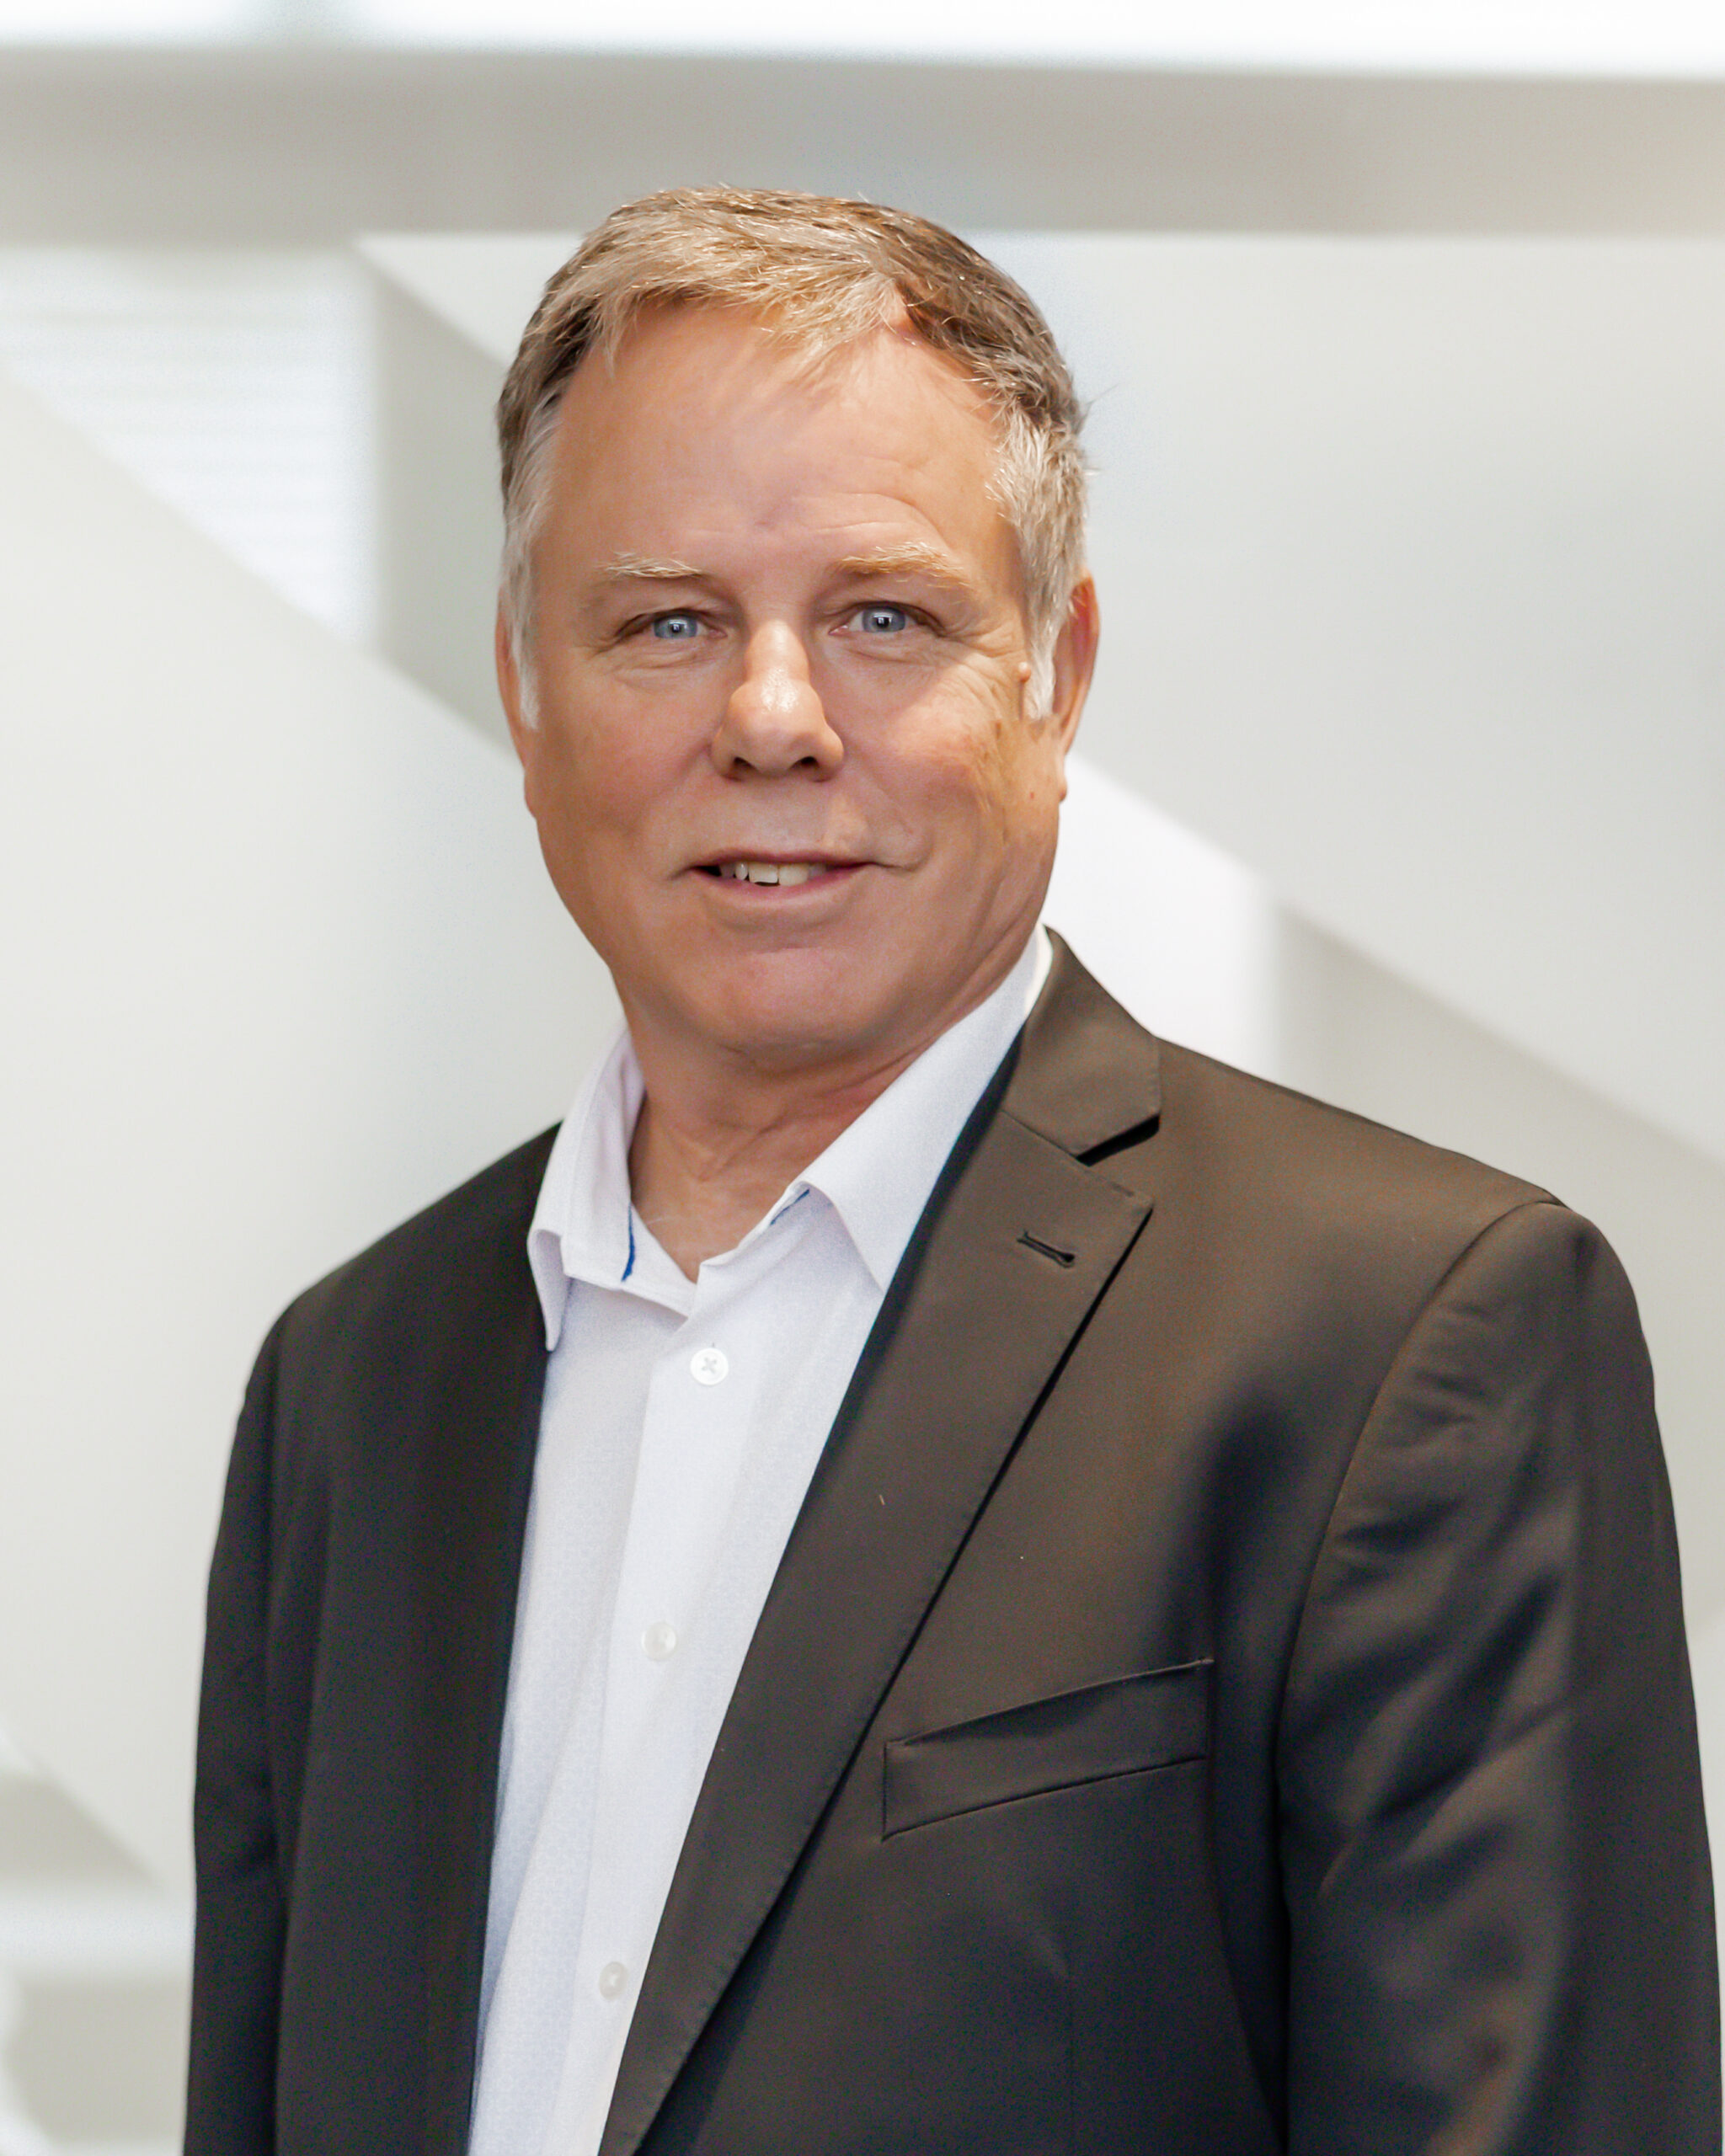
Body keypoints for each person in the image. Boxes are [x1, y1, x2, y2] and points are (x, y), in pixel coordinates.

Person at [184, 189, 1719, 2156]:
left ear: (1057, 678)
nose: (770, 718)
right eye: (667, 621)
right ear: (524, 688)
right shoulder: (355, 1380)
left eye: (883, 617)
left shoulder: (1406, 1340)